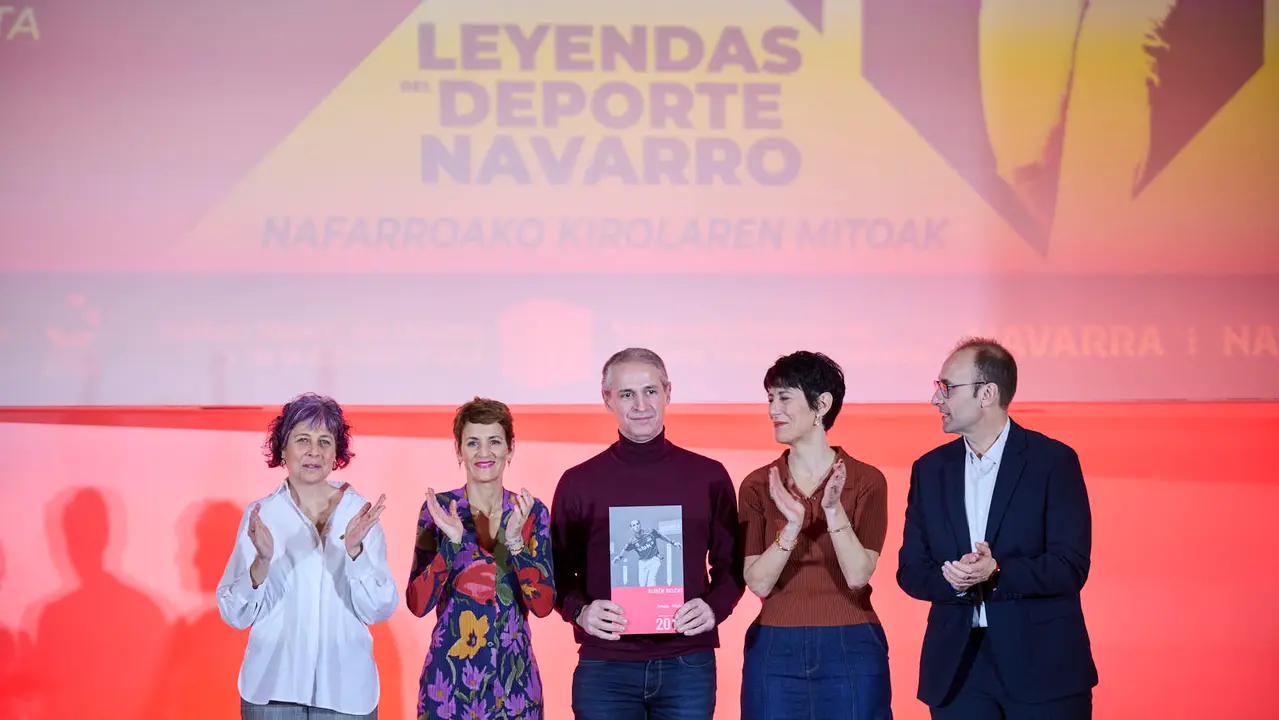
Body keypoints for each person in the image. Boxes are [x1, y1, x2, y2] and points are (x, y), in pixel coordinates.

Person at [898, 338, 1097, 719]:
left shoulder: (1052, 461)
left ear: (987, 393)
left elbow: (1070, 566)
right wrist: (955, 580)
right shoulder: (930, 470)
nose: (936, 399)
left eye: (946, 388)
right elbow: (911, 570)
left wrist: (997, 571)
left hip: (1043, 667)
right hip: (958, 671)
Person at [551, 347, 745, 720]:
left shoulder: (709, 476)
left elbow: (732, 563)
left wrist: (714, 608)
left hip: (687, 664)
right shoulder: (578, 483)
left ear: (668, 392)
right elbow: (556, 569)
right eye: (627, 394)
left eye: (650, 391)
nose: (641, 405)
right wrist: (580, 611)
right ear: (607, 399)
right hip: (605, 666)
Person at [217, 393, 395, 719]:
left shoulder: (359, 513)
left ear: (336, 453)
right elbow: (235, 613)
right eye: (302, 440)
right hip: (271, 690)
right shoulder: (262, 515)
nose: (314, 451)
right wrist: (261, 563)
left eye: (325, 441)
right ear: (282, 449)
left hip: (346, 694)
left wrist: (355, 552)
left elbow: (379, 608)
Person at [738, 351, 893, 720]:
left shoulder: (867, 480)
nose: (773, 410)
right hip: (775, 642)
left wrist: (833, 510)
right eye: (770, 399)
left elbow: (858, 575)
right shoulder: (757, 485)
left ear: (821, 404)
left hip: (851, 641)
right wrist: (791, 528)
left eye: (784, 398)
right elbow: (758, 582)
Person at [406, 397, 555, 720]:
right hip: (449, 687)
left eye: (494, 442)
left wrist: (515, 543)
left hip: (515, 686)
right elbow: (417, 604)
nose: (484, 452)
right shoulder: (438, 510)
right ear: (459, 450)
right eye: (473, 442)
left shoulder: (531, 513)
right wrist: (452, 544)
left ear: (510, 449)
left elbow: (543, 606)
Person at [612, 519, 682, 587]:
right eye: (634, 525)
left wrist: (673, 542)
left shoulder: (650, 532)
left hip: (654, 559)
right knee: (642, 585)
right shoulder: (632, 541)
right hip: (643, 563)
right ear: (631, 528)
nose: (636, 526)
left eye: (637, 524)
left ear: (640, 525)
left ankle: (652, 594)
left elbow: (660, 535)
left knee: (651, 581)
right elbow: (625, 550)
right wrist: (619, 557)